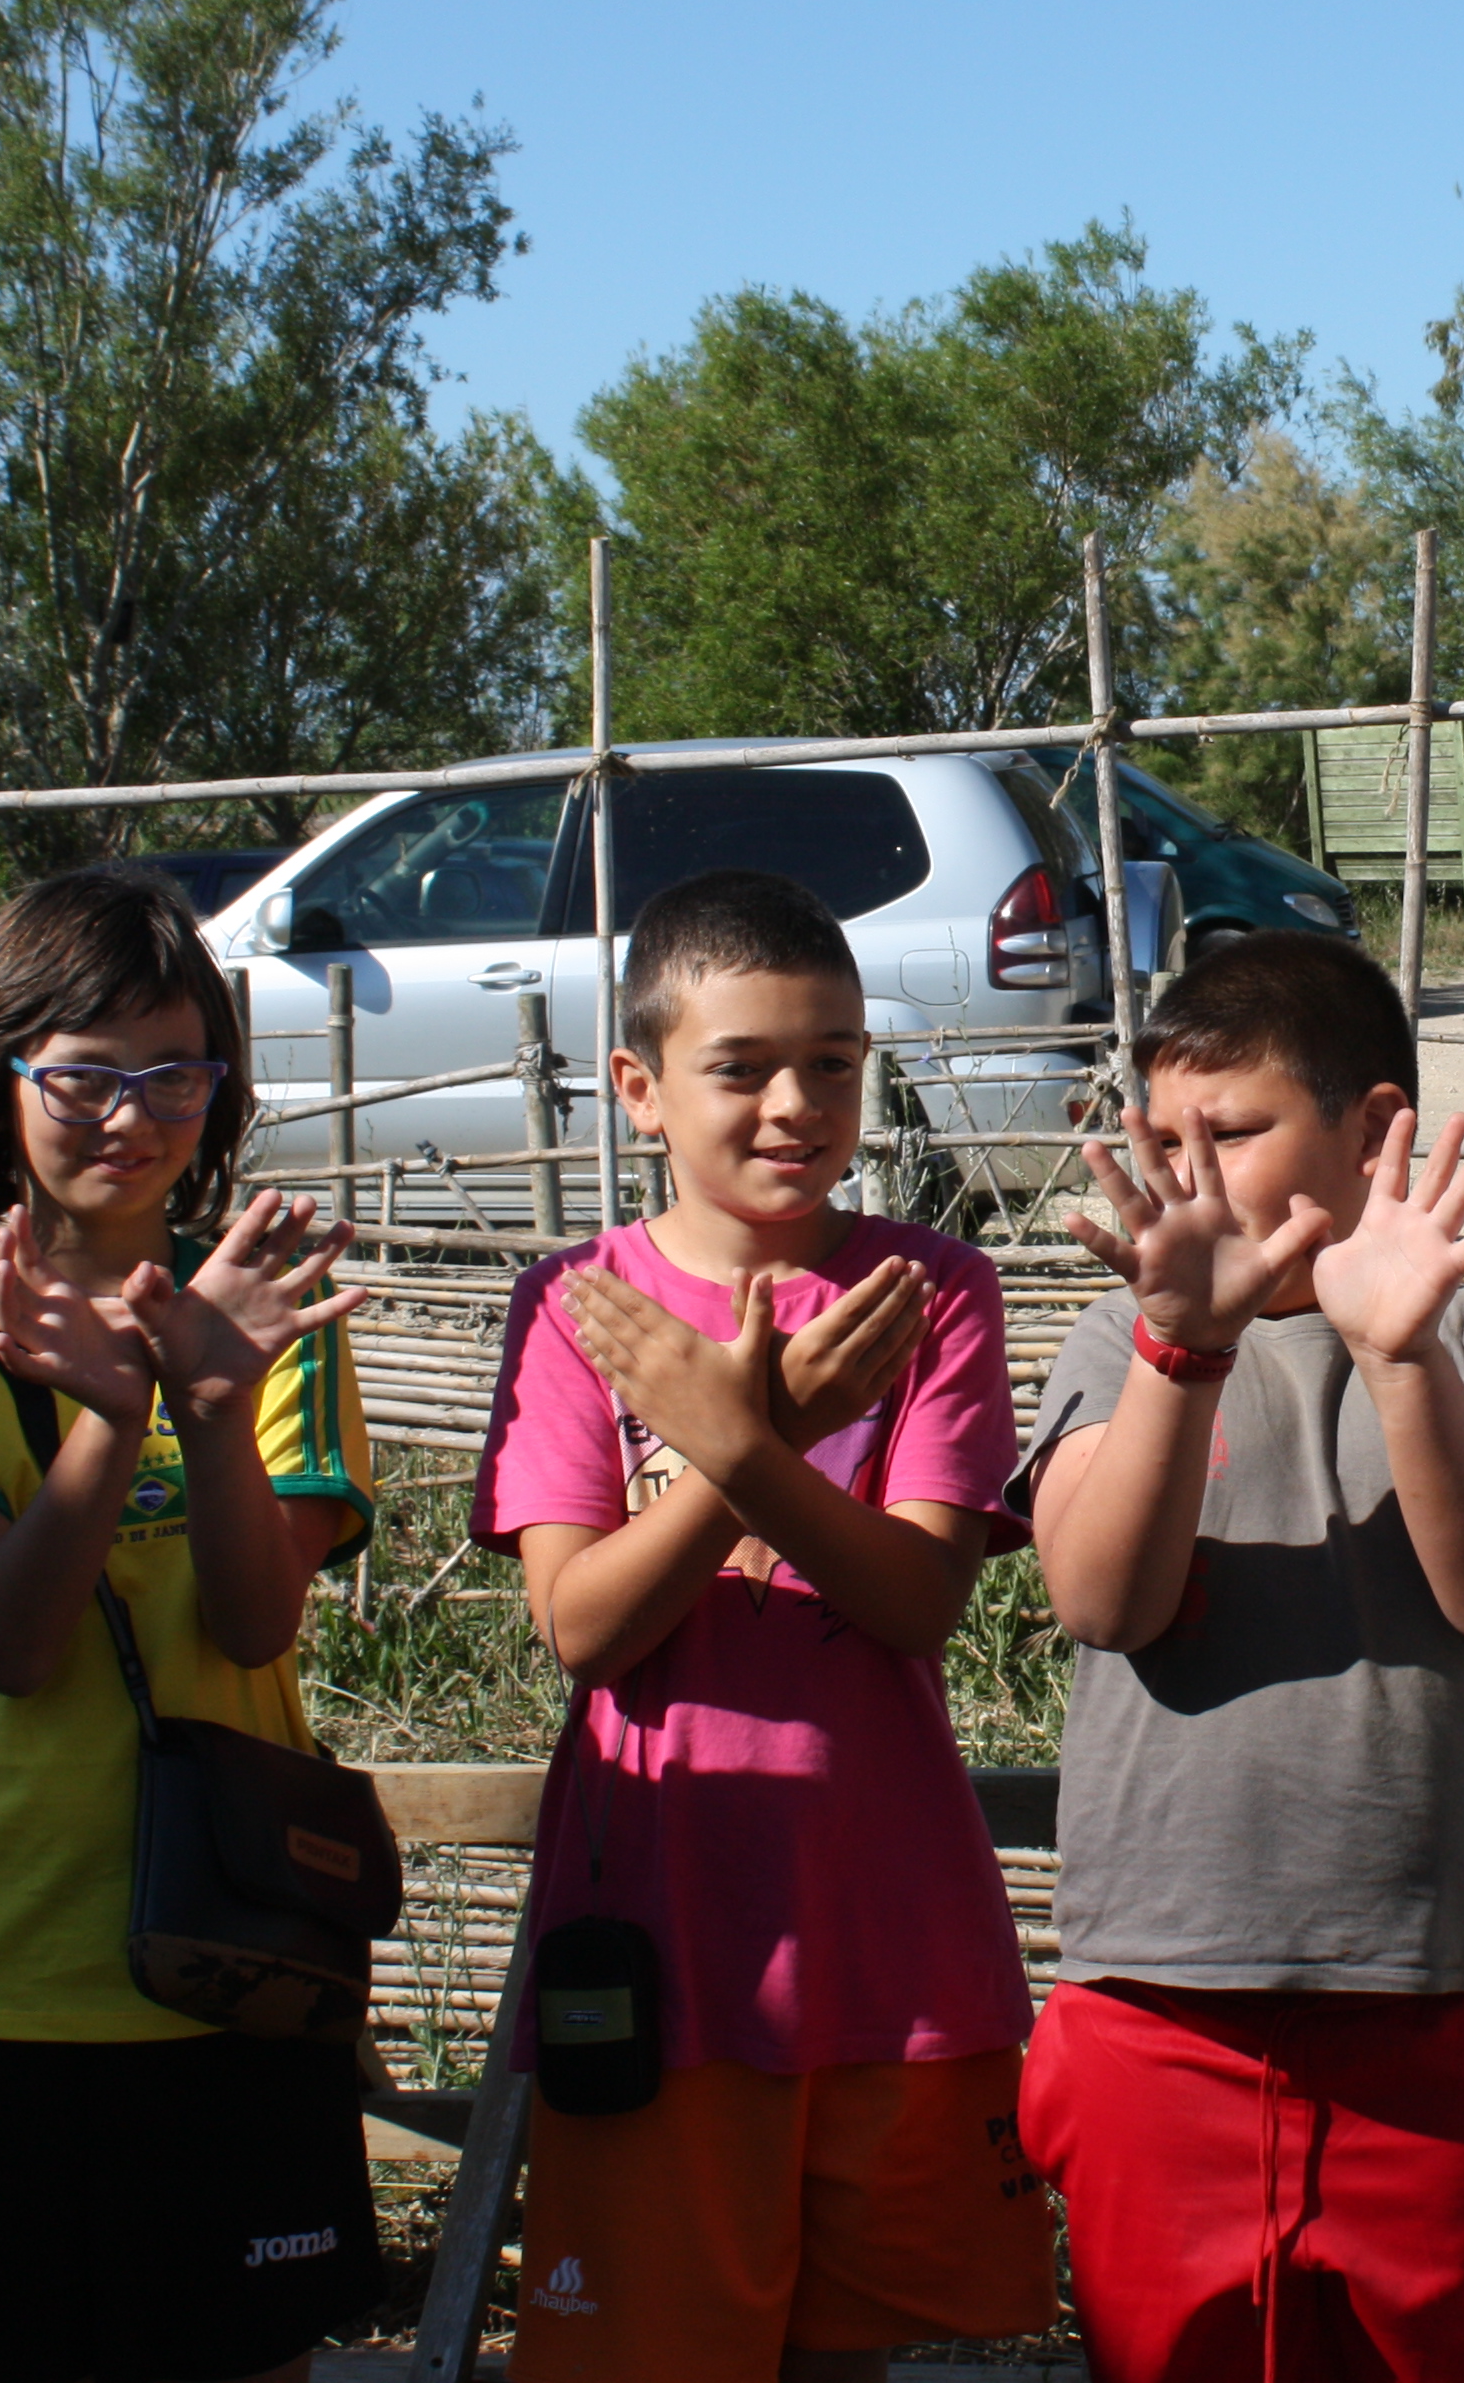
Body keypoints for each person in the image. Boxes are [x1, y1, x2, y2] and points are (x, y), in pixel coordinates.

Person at [1014, 930, 1464, 2383]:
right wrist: (1185, 1349)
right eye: (1163, 1138)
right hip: (1161, 2012)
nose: (1188, 1175)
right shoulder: (1119, 1344)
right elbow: (1107, 1599)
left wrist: (1402, 1355)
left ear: (1374, 1133)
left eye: (1231, 1133)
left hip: (1452, 2008)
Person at [470, 868, 1054, 2383]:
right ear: (641, 1090)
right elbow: (586, 1627)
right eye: (741, 1068)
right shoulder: (581, 1307)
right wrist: (771, 1437)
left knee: (842, 2355)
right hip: (664, 1936)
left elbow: (916, 1603)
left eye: (835, 1064)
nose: (796, 1103)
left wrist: (734, 1444)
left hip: (884, 1928)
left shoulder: (930, 1291)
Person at [0, 864, 386, 2383]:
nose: (131, 1114)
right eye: (84, 1074)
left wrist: (209, 1404)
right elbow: (8, 1647)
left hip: (231, 1964)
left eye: (175, 1071)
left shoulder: (271, 1334)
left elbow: (256, 1622)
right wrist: (108, 1419)